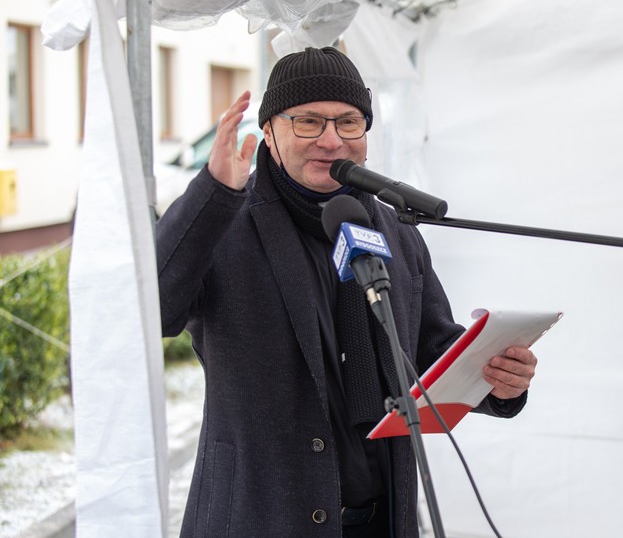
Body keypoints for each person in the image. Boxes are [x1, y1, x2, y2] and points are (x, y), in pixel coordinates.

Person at [157, 45, 538, 538]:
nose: (331, 140)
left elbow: (429, 350)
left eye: (349, 122)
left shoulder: (393, 230)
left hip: (380, 519)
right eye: (309, 122)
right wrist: (212, 194)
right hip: (260, 519)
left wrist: (496, 379)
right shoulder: (226, 220)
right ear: (269, 133)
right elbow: (153, 312)